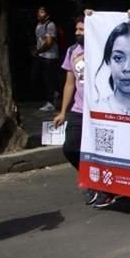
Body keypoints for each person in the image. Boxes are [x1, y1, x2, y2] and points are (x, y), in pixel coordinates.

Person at [53, 17, 94, 204]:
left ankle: (99, 185)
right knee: (70, 147)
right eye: (77, 29)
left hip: (99, 113)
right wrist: (63, 111)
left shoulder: (102, 47)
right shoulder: (72, 51)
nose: (78, 32)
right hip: (78, 110)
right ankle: (89, 179)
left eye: (82, 29)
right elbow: (70, 84)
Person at [32, 6, 61, 111]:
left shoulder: (50, 25)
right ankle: (54, 94)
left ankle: (51, 102)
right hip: (41, 56)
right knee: (43, 78)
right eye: (39, 11)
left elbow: (49, 42)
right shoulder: (39, 25)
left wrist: (38, 51)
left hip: (50, 56)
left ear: (48, 15)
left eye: (42, 12)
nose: (39, 14)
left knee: (49, 79)